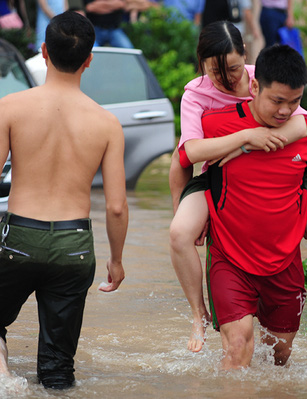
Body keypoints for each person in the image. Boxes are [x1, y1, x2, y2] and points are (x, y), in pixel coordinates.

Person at [169, 21, 307, 354]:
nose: (227, 78)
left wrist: (250, 146)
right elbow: (186, 155)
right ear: (201, 64)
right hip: (214, 169)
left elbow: (304, 126)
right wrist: (245, 138)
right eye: (215, 71)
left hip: (279, 173)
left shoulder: (266, 78)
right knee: (179, 231)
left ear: (245, 60)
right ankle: (197, 313)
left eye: (232, 68)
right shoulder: (196, 94)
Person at [0, 11, 128, 389]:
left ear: (43, 51)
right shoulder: (106, 123)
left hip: (20, 238)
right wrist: (116, 260)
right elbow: (117, 206)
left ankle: (3, 375)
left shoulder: (11, 107)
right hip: (74, 247)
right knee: (58, 369)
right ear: (89, 59)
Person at [203, 44, 307, 368]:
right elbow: (185, 157)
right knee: (238, 346)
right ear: (254, 86)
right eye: (277, 101)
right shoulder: (214, 124)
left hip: (283, 262)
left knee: (278, 355)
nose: (285, 111)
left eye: (294, 102)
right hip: (229, 257)